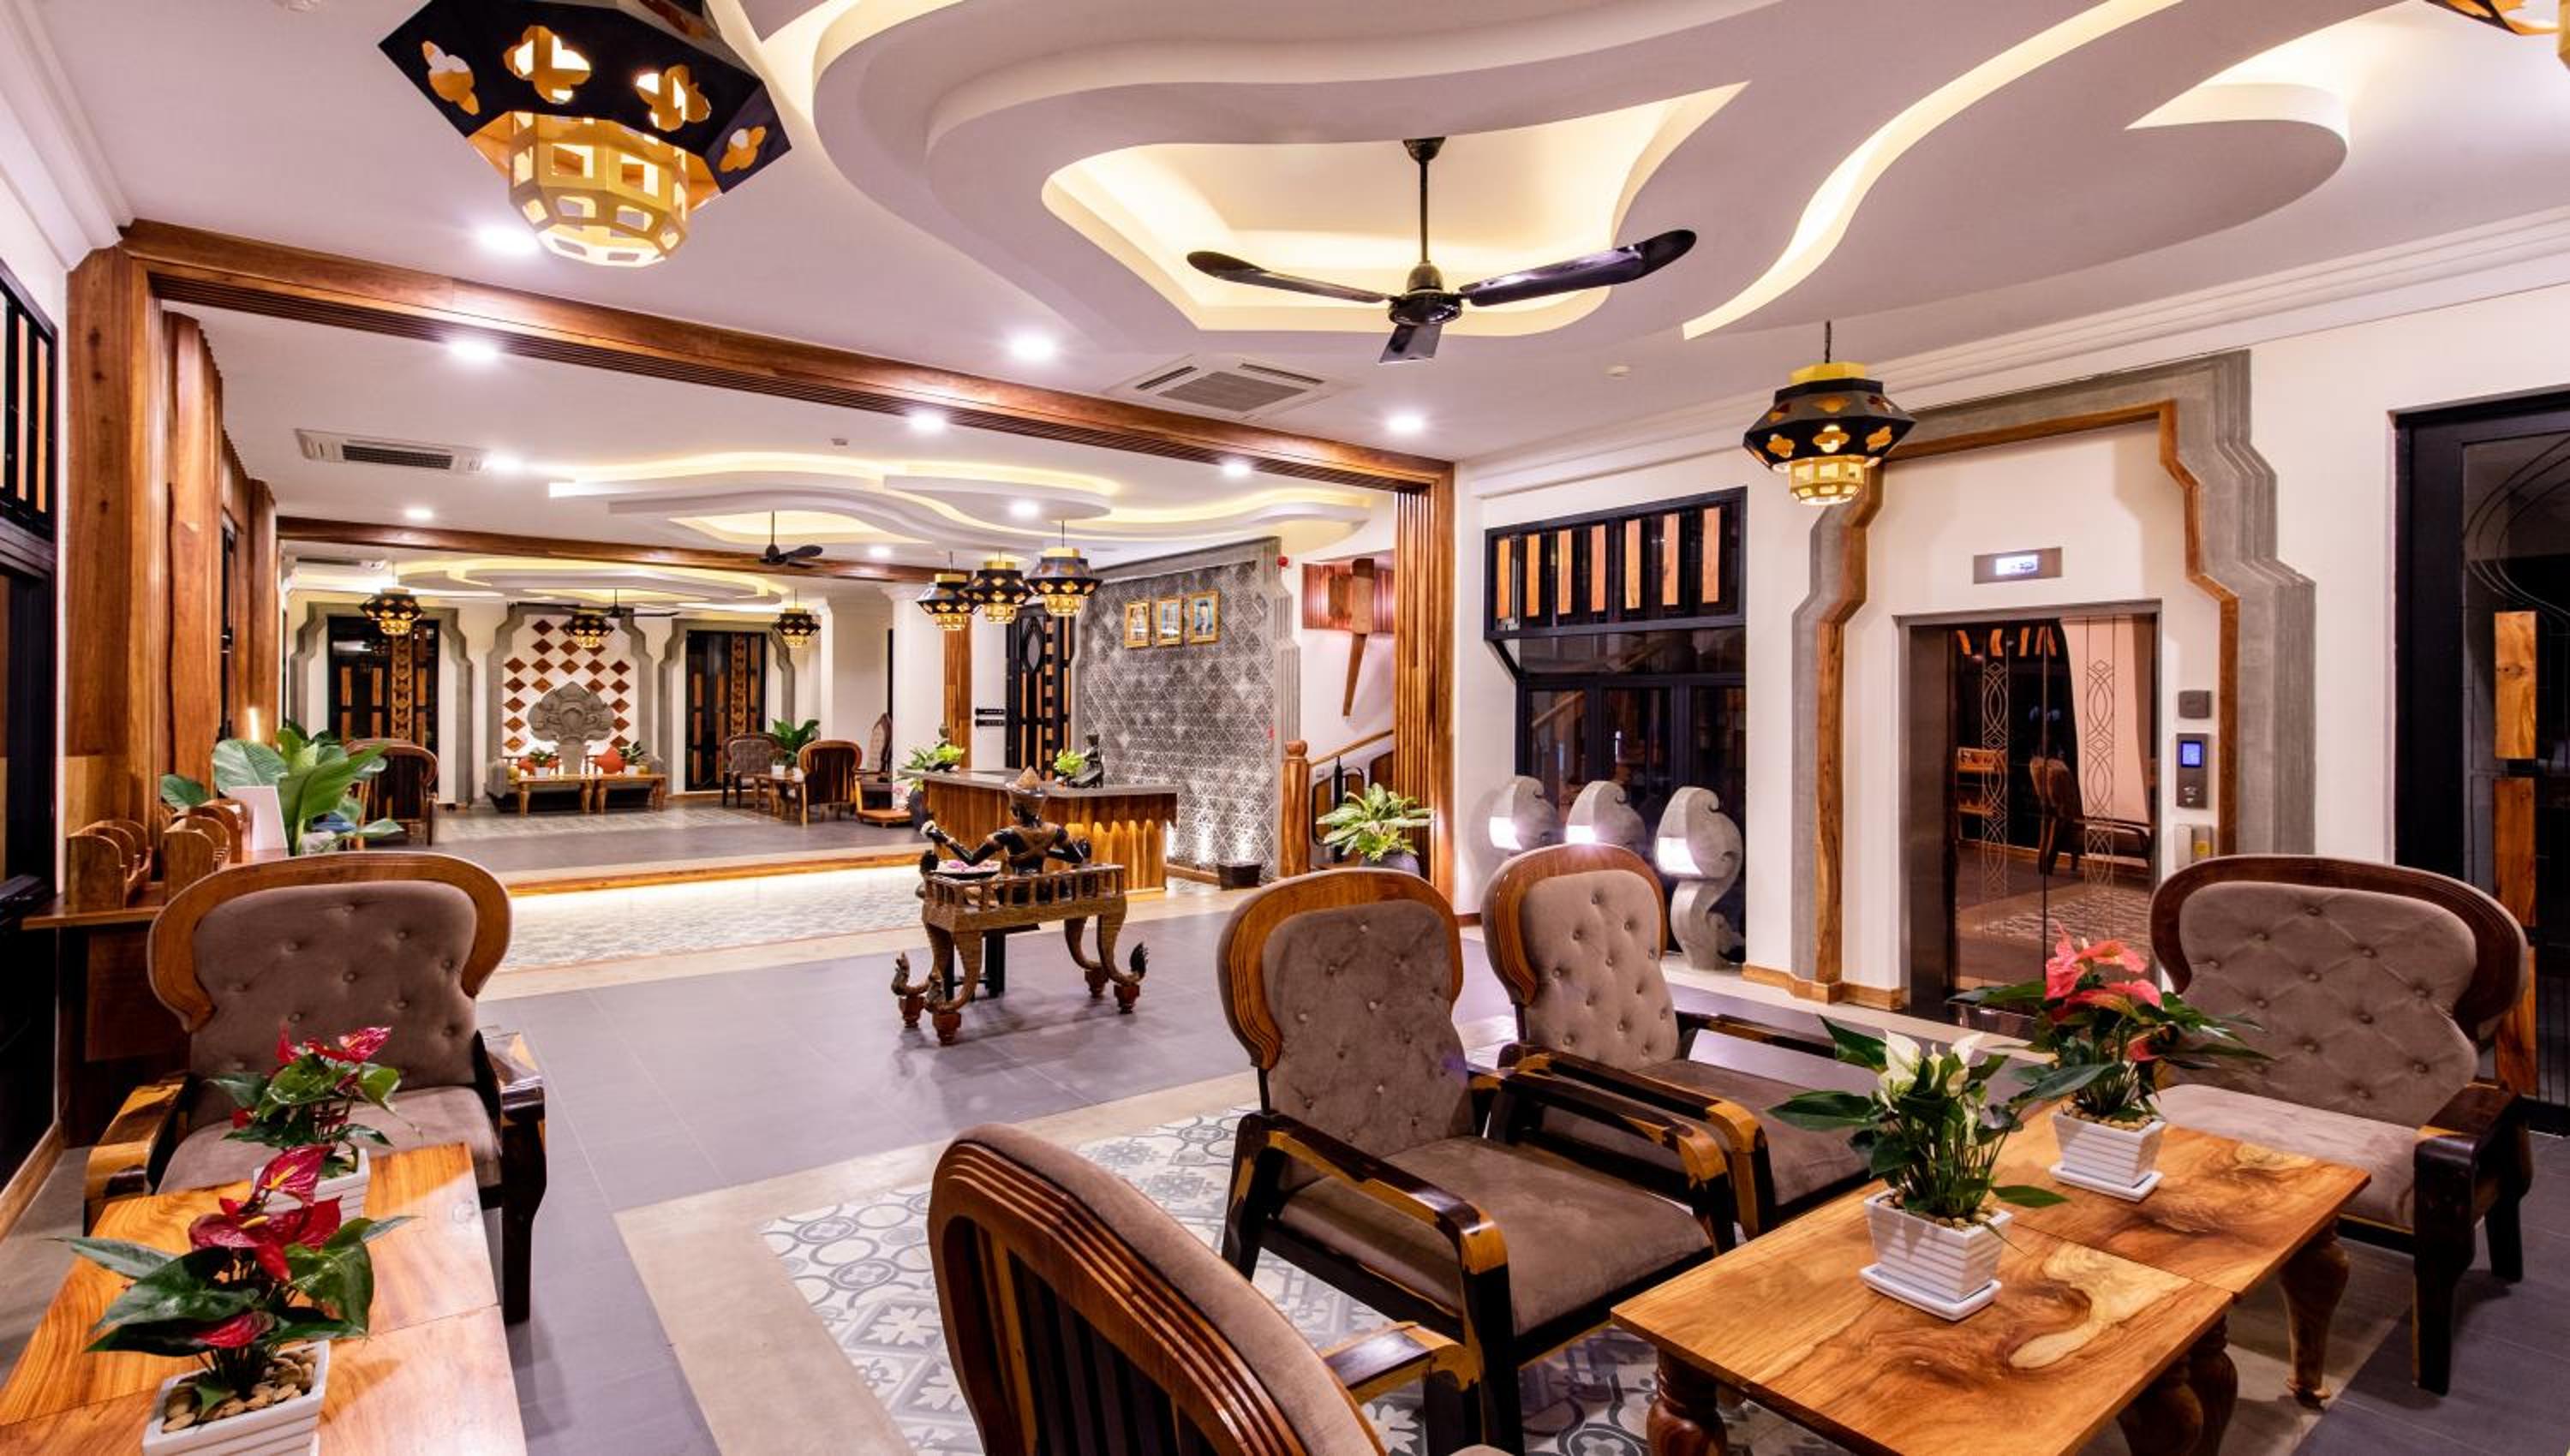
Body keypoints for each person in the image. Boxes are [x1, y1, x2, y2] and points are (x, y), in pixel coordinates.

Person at [921, 769, 1090, 874]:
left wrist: (945, 838)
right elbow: (1076, 858)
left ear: (1017, 811)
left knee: (972, 892)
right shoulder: (1056, 831)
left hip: (1016, 893)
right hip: (1043, 889)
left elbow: (971, 860)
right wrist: (1045, 851)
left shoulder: (1008, 834)